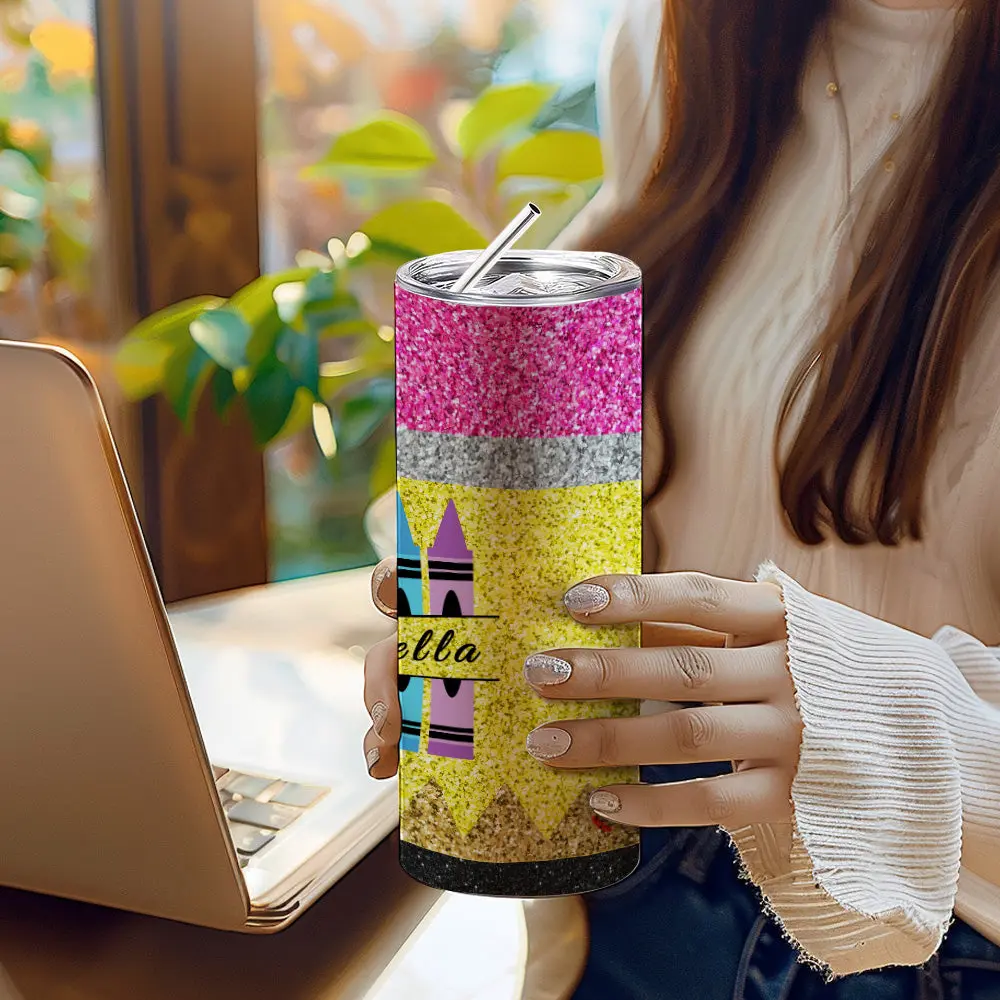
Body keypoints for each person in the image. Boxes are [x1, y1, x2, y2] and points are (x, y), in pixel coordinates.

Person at [362, 0, 1000, 995]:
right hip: (621, 869)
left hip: (927, 930)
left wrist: (890, 725)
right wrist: (475, 605)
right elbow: (624, 440)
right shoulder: (688, 43)